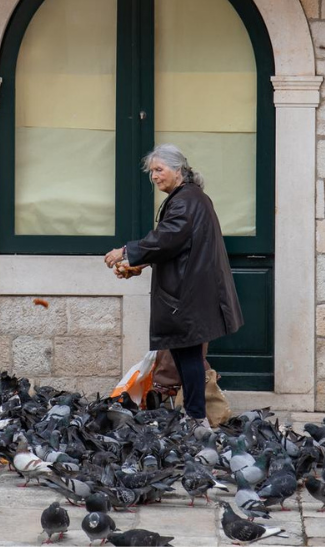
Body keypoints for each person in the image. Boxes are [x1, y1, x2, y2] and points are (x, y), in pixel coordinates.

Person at [104, 144, 243, 428]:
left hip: (188, 294)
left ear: (178, 171)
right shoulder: (190, 198)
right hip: (191, 290)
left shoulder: (185, 201)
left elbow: (167, 238)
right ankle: (194, 416)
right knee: (185, 356)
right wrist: (141, 263)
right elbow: (176, 245)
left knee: (189, 357)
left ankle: (196, 418)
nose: (154, 176)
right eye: (151, 171)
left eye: (159, 169)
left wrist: (126, 252)